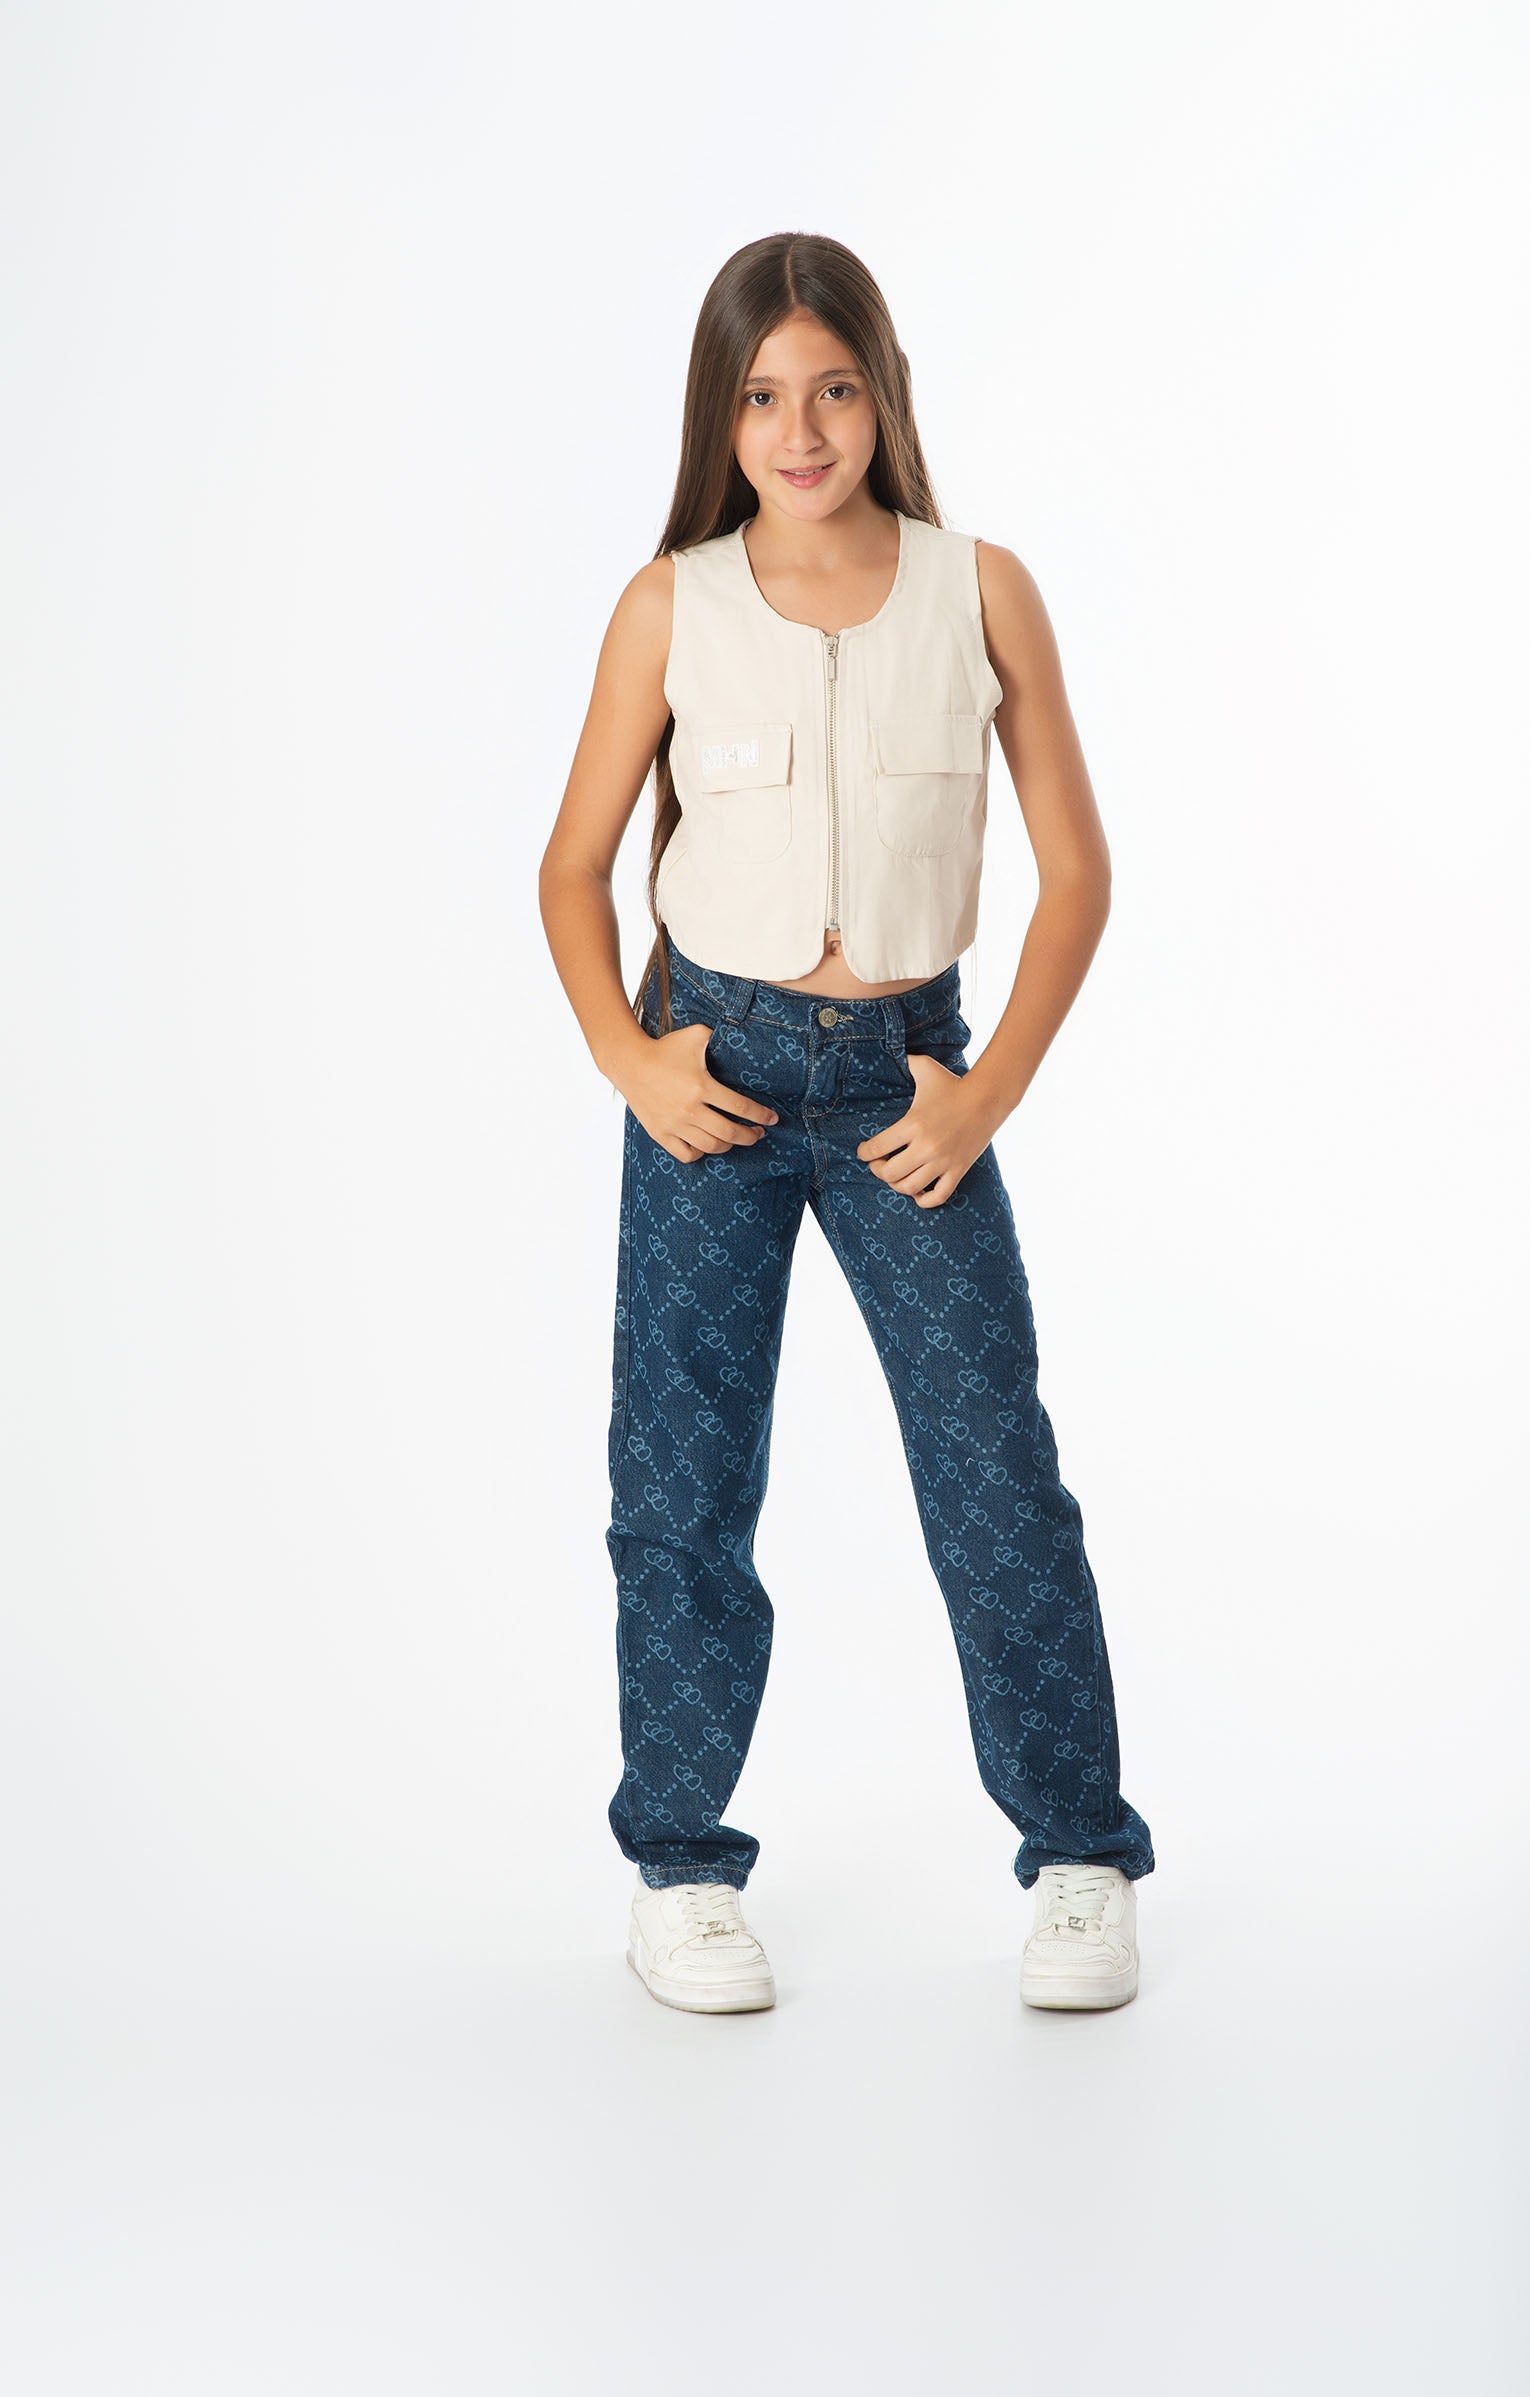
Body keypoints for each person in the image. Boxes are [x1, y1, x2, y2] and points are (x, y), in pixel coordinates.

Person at [539, 231, 1156, 2017]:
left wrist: (988, 1091)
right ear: (718, 418)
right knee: (680, 1483)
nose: (798, 430)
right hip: (711, 1083)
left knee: (994, 1473)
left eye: (830, 387)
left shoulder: (983, 592)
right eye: (759, 396)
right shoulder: (670, 605)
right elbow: (574, 869)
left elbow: (1077, 874)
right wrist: (632, 1061)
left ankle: (1081, 1853)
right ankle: (679, 1867)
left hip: (908, 1086)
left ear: (882, 392)